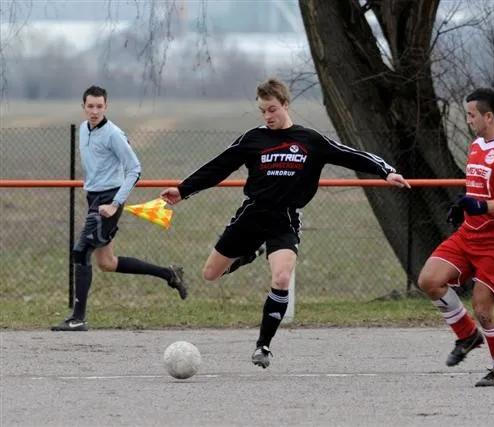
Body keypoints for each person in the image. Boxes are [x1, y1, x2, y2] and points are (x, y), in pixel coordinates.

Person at [160, 77, 410, 368]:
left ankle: (263, 346)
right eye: (263, 111)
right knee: (210, 274)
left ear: (285, 105)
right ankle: (251, 253)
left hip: (285, 220)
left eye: (272, 110)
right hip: (251, 215)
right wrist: (183, 190)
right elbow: (218, 166)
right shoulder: (253, 139)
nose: (267, 116)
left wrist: (386, 171)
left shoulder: (310, 140)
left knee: (280, 278)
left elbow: (350, 155)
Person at [417, 88, 494, 387]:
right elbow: (477, 189)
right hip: (470, 233)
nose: (468, 120)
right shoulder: (478, 144)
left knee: (482, 308)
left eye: (471, 115)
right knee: (429, 280)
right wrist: (463, 206)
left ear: (488, 116)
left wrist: (481, 206)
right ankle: (467, 336)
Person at [52, 86, 188, 332]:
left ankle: (78, 318)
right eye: (90, 106)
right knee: (107, 262)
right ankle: (169, 274)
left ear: (106, 107)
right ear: (83, 107)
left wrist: (115, 204)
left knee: (81, 252)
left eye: (99, 106)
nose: (95, 111)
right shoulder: (83, 129)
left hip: (108, 200)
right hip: (94, 199)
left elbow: (135, 169)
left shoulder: (113, 134)